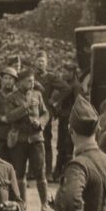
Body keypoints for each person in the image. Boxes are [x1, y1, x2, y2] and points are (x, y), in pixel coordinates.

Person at [5, 69, 51, 211]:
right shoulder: (11, 98)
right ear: (20, 83)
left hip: (36, 138)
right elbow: (10, 117)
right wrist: (24, 106)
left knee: (40, 172)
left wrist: (40, 122)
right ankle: (22, 203)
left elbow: (45, 113)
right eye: (29, 81)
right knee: (19, 173)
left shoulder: (38, 94)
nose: (32, 84)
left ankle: (45, 204)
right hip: (20, 138)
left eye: (33, 80)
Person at [50, 63, 82, 181]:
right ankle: (58, 172)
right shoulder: (65, 85)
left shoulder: (76, 86)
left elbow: (77, 105)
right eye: (64, 71)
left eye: (67, 72)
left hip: (70, 120)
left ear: (73, 73)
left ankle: (65, 173)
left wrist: (65, 114)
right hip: (63, 120)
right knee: (60, 146)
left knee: (68, 147)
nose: (64, 74)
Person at [34, 52, 59, 180]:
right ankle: (35, 171)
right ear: (35, 62)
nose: (40, 63)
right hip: (32, 113)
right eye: (38, 60)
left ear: (46, 63)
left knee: (47, 142)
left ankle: (48, 172)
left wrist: (53, 100)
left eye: (42, 61)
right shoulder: (31, 76)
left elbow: (65, 88)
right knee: (33, 142)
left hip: (45, 113)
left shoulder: (51, 77)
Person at [0, 67, 17, 159]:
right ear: (2, 80)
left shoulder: (18, 95)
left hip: (15, 135)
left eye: (10, 79)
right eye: (5, 78)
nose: (8, 81)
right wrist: (1, 118)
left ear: (14, 80)